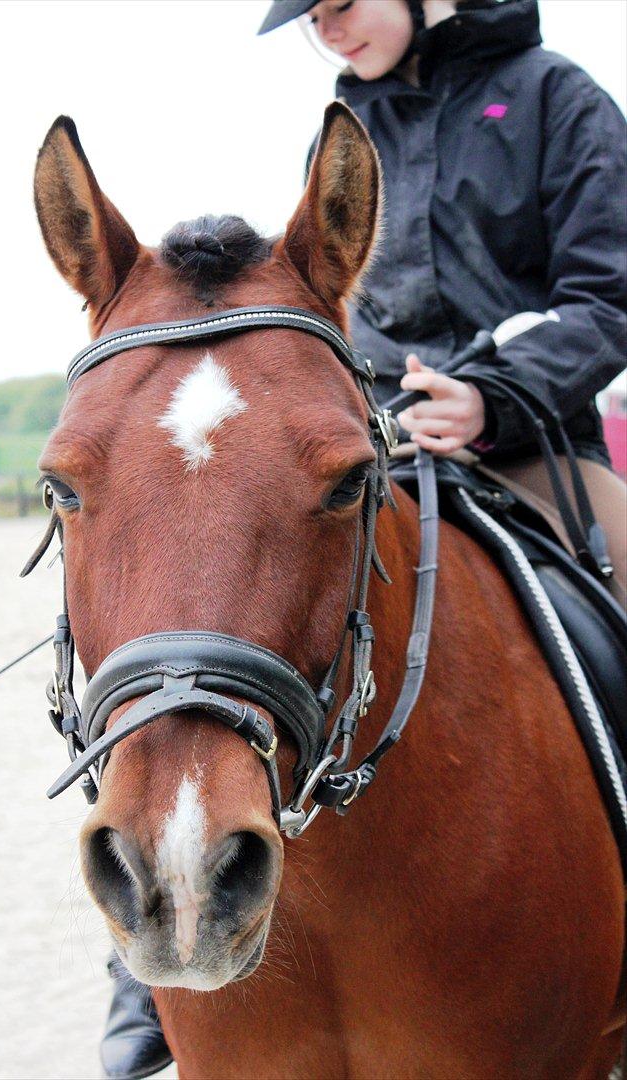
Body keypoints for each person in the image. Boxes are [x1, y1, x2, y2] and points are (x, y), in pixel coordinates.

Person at [101, 1, 627, 1075]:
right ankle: (146, 967)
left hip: (529, 445)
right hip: (367, 448)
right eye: (309, 16)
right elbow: (321, 308)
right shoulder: (342, 130)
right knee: (197, 628)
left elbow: (608, 291)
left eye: (342, 2)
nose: (328, 29)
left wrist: (496, 393)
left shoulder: (553, 97)